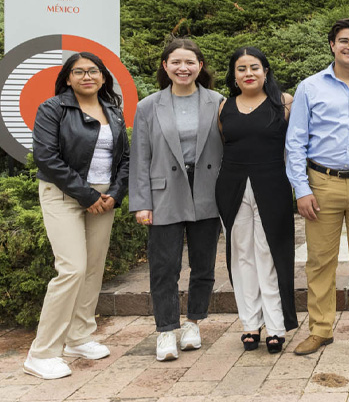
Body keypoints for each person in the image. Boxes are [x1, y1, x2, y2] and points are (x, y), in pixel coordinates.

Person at [23, 53, 130, 380]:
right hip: (64, 193)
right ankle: (42, 353)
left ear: (103, 77)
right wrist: (86, 195)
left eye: (93, 71)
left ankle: (79, 337)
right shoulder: (53, 109)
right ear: (68, 78)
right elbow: (46, 157)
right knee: (72, 268)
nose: (87, 76)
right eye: (79, 71)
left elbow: (125, 158)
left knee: (93, 268)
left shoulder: (112, 110)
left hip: (103, 197)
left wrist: (115, 193)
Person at [285, 18, 349, 357]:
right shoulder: (310, 87)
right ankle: (320, 329)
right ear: (332, 45)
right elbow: (295, 141)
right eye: (344, 41)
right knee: (319, 261)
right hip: (322, 184)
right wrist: (301, 189)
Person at [130, 38, 224, 362]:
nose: (183, 68)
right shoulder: (148, 106)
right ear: (165, 66)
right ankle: (166, 329)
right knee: (164, 266)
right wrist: (141, 202)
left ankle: (194, 323)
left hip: (207, 191)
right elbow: (140, 157)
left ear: (200, 66)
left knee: (204, 264)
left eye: (189, 62)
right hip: (164, 193)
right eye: (176, 62)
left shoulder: (218, 102)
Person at [216, 47, 297, 354]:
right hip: (232, 186)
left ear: (266, 71)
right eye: (241, 69)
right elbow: (223, 144)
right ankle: (250, 323)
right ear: (234, 75)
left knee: (269, 254)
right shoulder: (224, 106)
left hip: (273, 185)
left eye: (254, 67)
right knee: (241, 255)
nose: (248, 73)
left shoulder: (284, 102)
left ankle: (275, 325)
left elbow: (295, 146)